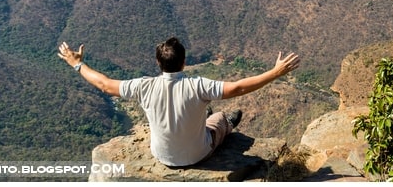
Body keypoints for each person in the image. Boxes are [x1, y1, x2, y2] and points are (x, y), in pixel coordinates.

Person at [57, 37, 300, 167]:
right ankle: (224, 121)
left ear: (157, 63)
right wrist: (275, 72)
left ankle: (208, 116)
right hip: (198, 154)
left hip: (162, 156)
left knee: (204, 116)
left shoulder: (144, 86)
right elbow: (238, 87)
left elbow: (105, 84)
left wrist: (76, 64)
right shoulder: (197, 85)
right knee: (219, 120)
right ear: (184, 63)